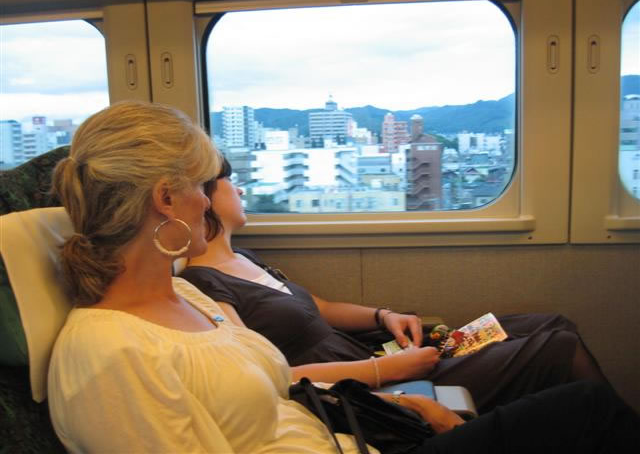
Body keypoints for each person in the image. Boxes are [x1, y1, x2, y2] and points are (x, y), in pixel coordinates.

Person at [47, 101, 640, 454]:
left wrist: (399, 409)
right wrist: (384, 380)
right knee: (585, 409)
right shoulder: (108, 356)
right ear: (166, 199)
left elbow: (282, 389)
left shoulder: (184, 296)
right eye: (202, 188)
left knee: (568, 389)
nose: (208, 202)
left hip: (359, 430)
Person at [181, 159, 612, 414]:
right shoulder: (202, 282)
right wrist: (388, 370)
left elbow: (321, 308)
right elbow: (261, 374)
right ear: (203, 196)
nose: (240, 189)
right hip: (368, 383)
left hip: (377, 353)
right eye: (229, 182)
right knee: (559, 348)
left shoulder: (245, 259)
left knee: (550, 324)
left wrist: (384, 316)